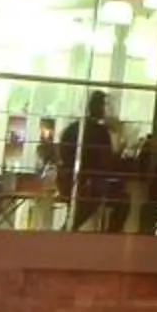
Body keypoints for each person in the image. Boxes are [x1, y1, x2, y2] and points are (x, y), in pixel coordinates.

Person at [57, 90, 123, 232]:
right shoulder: (100, 132)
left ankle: (69, 228)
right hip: (89, 182)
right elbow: (106, 162)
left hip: (67, 180)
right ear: (100, 108)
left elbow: (62, 153)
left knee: (81, 206)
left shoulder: (72, 128)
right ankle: (112, 235)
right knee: (122, 199)